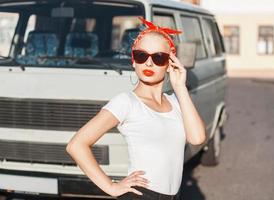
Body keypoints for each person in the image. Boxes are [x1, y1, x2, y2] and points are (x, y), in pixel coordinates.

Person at [66, 17, 206, 200]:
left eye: (158, 58)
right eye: (141, 56)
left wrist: (180, 87)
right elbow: (76, 145)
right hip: (141, 195)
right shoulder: (126, 102)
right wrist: (111, 187)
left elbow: (197, 138)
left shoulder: (176, 101)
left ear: (170, 63)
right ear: (133, 61)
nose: (148, 63)